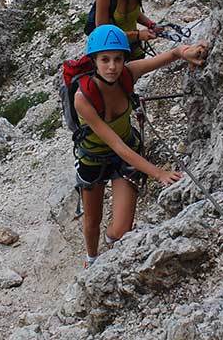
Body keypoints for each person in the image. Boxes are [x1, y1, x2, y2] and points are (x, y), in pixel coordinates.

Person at [75, 24, 207, 267]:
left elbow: (168, 57)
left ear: (125, 59)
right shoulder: (83, 98)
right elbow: (115, 145)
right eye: (105, 60)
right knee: (92, 220)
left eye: (118, 59)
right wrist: (158, 173)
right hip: (94, 158)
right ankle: (91, 259)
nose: (112, 66)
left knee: (122, 230)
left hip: (124, 155)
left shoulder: (128, 74)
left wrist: (184, 52)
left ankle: (113, 244)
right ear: (94, 61)